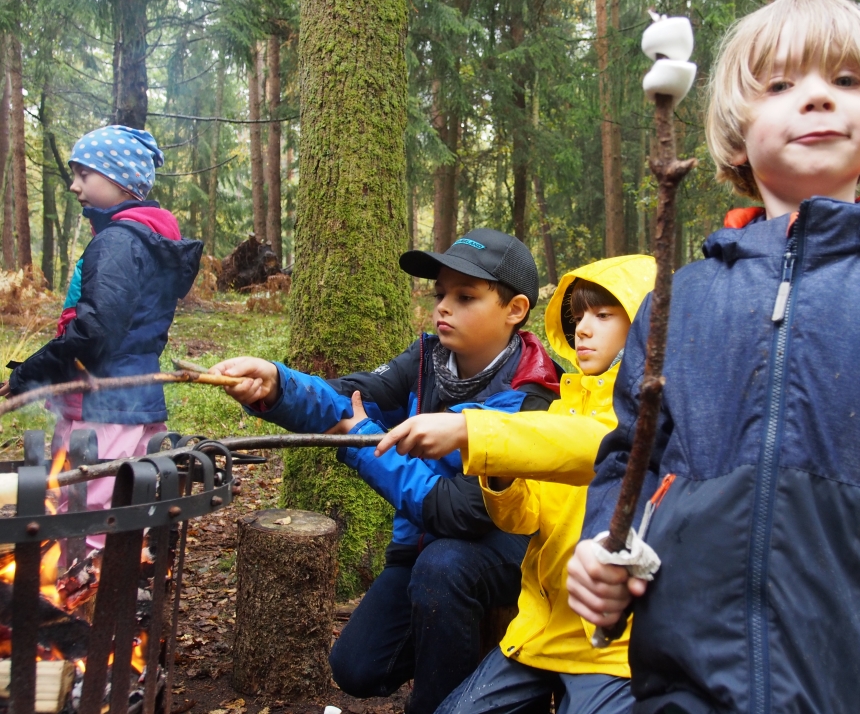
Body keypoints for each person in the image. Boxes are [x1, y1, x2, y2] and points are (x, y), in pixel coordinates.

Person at [565, 0, 860, 714]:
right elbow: (627, 462)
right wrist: (601, 555)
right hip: (688, 684)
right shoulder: (683, 296)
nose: (818, 100)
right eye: (781, 86)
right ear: (736, 137)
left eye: (847, 81)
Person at [211, 229, 562, 714]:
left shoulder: (535, 394)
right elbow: (346, 399)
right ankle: (475, 674)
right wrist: (276, 384)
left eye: (465, 297)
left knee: (446, 568)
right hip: (419, 552)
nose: (443, 307)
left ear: (516, 309)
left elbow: (461, 512)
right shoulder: (427, 359)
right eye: (441, 294)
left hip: (505, 557)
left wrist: (362, 445)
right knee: (357, 667)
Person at [376, 254, 655, 714]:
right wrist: (501, 474)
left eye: (603, 316)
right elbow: (524, 516)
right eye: (578, 315)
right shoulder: (566, 404)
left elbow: (601, 445)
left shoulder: (651, 410)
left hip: (610, 646)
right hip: (539, 629)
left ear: (647, 328)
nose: (583, 328)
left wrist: (474, 431)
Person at [1, 126, 202, 542]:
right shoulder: (144, 238)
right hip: (134, 401)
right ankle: (110, 584)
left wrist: (27, 375)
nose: (74, 186)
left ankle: (88, 598)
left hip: (104, 408)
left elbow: (93, 333)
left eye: (83, 174)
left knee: (90, 514)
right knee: (123, 503)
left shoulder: (118, 243)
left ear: (119, 180)